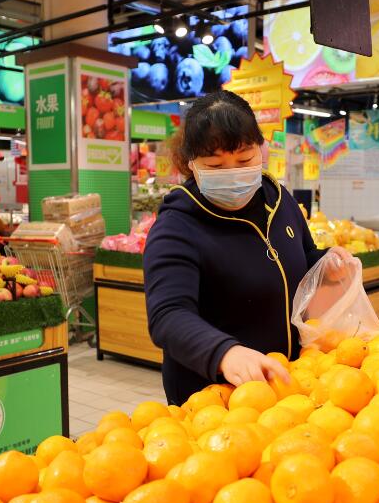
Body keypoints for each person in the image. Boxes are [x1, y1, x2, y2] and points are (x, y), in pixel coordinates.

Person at [144, 90, 354, 405]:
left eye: (244, 160)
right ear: (191, 165)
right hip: (216, 399)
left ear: (262, 149)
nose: (232, 174)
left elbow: (303, 256)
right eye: (215, 166)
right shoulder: (177, 227)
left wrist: (326, 262)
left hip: (288, 385)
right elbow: (168, 315)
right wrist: (224, 353)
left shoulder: (280, 202)